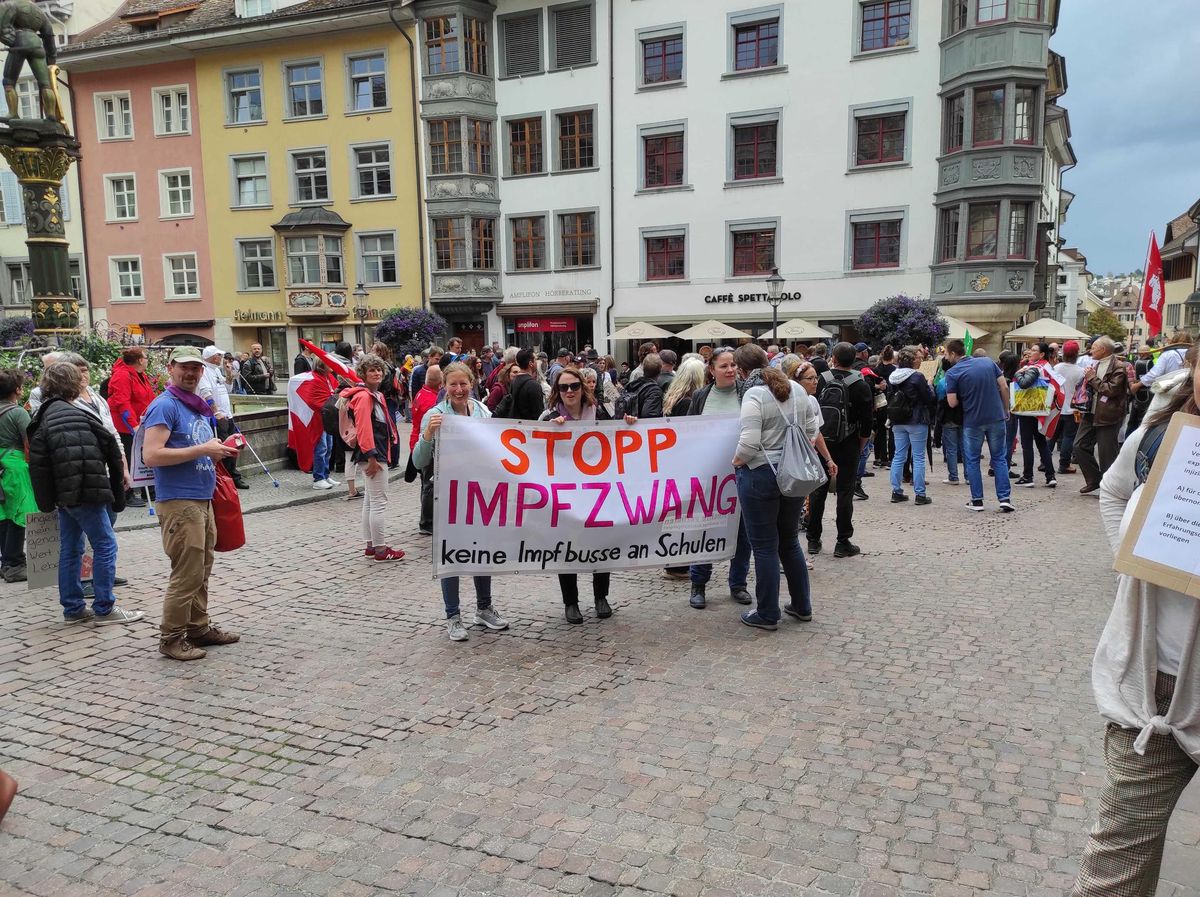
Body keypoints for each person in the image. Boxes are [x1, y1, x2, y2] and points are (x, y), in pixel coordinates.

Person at [1069, 355, 1199, 897]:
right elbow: (1115, 490)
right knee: (1114, 869)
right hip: (1158, 689)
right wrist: (1131, 555)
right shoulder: (1162, 439)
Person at [140, 347, 241, 659]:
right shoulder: (165, 406)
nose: (191, 374)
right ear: (170, 368)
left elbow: (197, 445)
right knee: (186, 573)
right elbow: (152, 455)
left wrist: (216, 449)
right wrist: (202, 450)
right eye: (184, 368)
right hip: (179, 501)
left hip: (200, 497)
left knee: (201, 569)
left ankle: (198, 627)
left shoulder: (194, 406)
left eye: (196, 369)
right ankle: (170, 638)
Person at [28, 362, 141, 626]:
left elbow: (40, 464)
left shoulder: (44, 415)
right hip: (86, 491)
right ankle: (104, 608)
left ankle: (73, 608)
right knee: (105, 544)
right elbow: (106, 449)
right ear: (74, 384)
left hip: (64, 494)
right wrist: (117, 483)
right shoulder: (77, 414)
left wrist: (48, 499)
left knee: (71, 547)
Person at [732, 344, 834, 630]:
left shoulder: (754, 393)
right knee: (789, 541)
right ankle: (802, 605)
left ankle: (767, 612)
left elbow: (750, 441)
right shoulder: (798, 390)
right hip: (794, 473)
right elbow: (812, 431)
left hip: (761, 474)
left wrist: (737, 460)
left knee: (764, 546)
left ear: (742, 371)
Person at [412, 362, 509, 641]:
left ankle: (484, 608)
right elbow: (419, 461)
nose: (458, 389)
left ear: (472, 383)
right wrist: (428, 435)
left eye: (463, 384)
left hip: (478, 494)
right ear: (444, 386)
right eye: (452, 384)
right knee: (451, 557)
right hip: (449, 496)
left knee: (481, 552)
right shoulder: (434, 414)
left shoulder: (481, 410)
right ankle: (453, 616)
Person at [538, 367, 615, 624]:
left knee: (600, 544)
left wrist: (629, 426)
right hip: (566, 495)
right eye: (563, 387)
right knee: (567, 546)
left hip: (598, 492)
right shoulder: (549, 416)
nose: (569, 391)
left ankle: (600, 597)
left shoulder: (600, 412)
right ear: (557, 391)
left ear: (583, 387)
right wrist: (547, 432)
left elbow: (618, 441)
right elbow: (533, 451)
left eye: (574, 386)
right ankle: (570, 602)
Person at [684, 347, 752, 608]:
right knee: (705, 528)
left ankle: (738, 584)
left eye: (733, 365)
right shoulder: (701, 396)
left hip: (741, 473)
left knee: (742, 530)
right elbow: (688, 432)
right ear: (711, 370)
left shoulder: (746, 393)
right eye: (724, 366)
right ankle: (698, 583)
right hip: (709, 475)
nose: (730, 370)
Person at [808, 342, 873, 558]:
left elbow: (812, 413)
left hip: (822, 441)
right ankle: (842, 541)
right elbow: (867, 422)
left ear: (833, 358)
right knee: (845, 491)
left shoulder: (821, 380)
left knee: (818, 489)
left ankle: (813, 539)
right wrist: (860, 445)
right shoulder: (861, 385)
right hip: (849, 442)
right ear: (854, 359)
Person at [341, 355, 403, 562]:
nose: (377, 373)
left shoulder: (372, 394)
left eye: (379, 370)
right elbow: (365, 428)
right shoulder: (365, 397)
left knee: (370, 500)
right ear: (363, 374)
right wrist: (372, 456)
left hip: (373, 452)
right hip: (373, 454)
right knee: (378, 502)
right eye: (372, 371)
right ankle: (380, 549)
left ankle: (371, 545)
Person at [945, 348, 1013, 512]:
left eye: (947, 354)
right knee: (999, 458)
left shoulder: (953, 373)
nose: (946, 357)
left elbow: (952, 402)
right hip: (996, 416)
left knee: (973, 460)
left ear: (954, 354)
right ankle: (1004, 498)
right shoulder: (988, 362)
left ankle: (977, 500)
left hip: (972, 420)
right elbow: (1003, 386)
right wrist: (1006, 409)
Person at [1073, 336, 1130, 495]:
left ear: (1103, 350)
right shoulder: (1094, 363)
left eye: (1094, 347)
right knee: (1079, 446)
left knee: (1107, 454)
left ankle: (1111, 488)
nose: (1091, 350)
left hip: (1108, 415)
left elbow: (1110, 390)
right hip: (1090, 412)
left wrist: (1092, 378)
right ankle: (1094, 480)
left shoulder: (1119, 367)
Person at [106, 346, 156, 508]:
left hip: (140, 422)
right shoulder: (122, 375)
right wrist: (133, 425)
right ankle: (126, 494)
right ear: (140, 360)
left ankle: (148, 489)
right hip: (124, 425)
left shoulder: (140, 375)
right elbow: (122, 403)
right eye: (146, 357)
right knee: (127, 458)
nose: (147, 360)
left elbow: (148, 397)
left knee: (141, 457)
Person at [886, 346, 936, 505]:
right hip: (916, 419)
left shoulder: (893, 376)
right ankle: (920, 494)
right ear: (912, 360)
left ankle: (896, 491)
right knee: (919, 457)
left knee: (899, 455)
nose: (921, 360)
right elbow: (929, 398)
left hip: (897, 420)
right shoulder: (917, 377)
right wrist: (929, 385)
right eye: (919, 358)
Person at [0, 369, 37, 583]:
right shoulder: (18, 413)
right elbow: (30, 443)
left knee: (3, 513)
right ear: (16, 390)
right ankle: (14, 564)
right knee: (19, 513)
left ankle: (6, 561)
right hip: (14, 465)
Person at [1013, 343, 1061, 489]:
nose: (1030, 352)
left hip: (1029, 408)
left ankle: (1028, 476)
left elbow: (1024, 384)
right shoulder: (1047, 366)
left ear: (1041, 354)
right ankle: (1050, 475)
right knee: (1041, 443)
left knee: (1027, 444)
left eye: (1034, 350)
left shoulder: (1034, 368)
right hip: (1040, 408)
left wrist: (1018, 373)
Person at [200, 346, 249, 490]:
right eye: (219, 356)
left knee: (234, 444)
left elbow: (227, 388)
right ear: (212, 357)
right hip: (218, 417)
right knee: (224, 448)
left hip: (227, 414)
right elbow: (206, 393)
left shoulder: (216, 370)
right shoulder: (204, 371)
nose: (221, 358)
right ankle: (227, 476)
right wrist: (215, 412)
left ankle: (233, 475)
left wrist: (228, 374)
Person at [410, 364, 443, 536]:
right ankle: (426, 521)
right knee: (429, 485)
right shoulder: (431, 402)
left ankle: (427, 519)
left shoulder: (422, 394)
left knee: (426, 484)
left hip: (417, 441)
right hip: (423, 444)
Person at [1053, 340, 1085, 474]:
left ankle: (1045, 462)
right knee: (1068, 437)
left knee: (1052, 436)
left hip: (1057, 407)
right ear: (1076, 354)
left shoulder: (1056, 368)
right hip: (1073, 409)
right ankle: (1064, 465)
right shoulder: (1081, 371)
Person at [935, 342, 965, 485]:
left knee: (951, 448)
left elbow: (940, 399)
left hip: (948, 416)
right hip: (964, 415)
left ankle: (953, 476)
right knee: (965, 447)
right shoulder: (964, 377)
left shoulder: (942, 382)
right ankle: (969, 476)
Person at [503, 348, 547, 421]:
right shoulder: (534, 385)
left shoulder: (514, 381)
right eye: (535, 359)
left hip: (516, 426)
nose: (537, 362)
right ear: (531, 363)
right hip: (530, 428)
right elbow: (538, 415)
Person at [621, 353, 665, 419]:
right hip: (642, 428)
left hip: (627, 426)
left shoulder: (632, 385)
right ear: (660, 369)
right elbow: (650, 417)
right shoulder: (654, 392)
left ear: (643, 368)